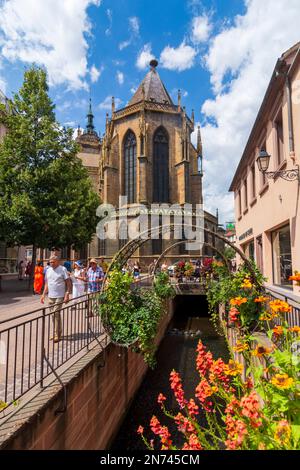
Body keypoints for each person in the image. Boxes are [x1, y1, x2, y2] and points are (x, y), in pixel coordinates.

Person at [41, 255, 72, 343]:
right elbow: (47, 283)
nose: (51, 263)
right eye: (50, 262)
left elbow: (68, 282)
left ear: (57, 261)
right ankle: (57, 332)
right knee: (53, 315)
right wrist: (43, 294)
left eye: (53, 262)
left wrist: (67, 294)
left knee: (56, 313)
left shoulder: (63, 269)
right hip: (51, 296)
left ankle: (56, 334)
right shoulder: (48, 270)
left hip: (60, 295)